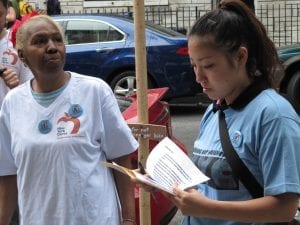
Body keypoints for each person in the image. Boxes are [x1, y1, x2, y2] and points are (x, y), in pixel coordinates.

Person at [137, 0, 300, 225]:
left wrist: (207, 208)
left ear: (240, 57)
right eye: (194, 65)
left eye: (208, 65)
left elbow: (285, 207)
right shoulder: (215, 109)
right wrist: (162, 183)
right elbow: (206, 187)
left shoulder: (273, 116)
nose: (198, 77)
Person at [0, 14, 138, 225]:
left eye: (57, 39)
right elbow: (8, 174)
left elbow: (121, 159)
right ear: (22, 55)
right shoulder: (12, 103)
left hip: (95, 219)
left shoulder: (94, 91)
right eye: (40, 41)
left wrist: (128, 219)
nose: (52, 47)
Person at [0, 0, 32, 108]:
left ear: (7, 12)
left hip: (10, 120)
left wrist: (16, 87)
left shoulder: (18, 45)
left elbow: (32, 93)